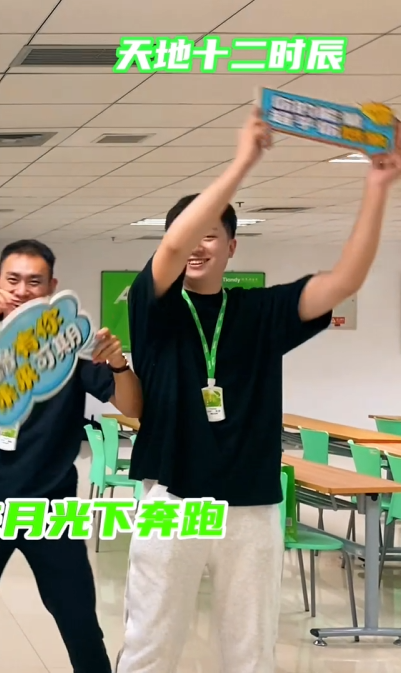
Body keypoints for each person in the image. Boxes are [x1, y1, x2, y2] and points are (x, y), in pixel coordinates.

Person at [115, 111, 401, 673]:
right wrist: (244, 161)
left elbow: (344, 281)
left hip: (252, 505)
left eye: (212, 235)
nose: (197, 246)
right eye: (191, 233)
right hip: (171, 500)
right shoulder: (155, 305)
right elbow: (170, 249)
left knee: (251, 652)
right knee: (151, 643)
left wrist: (377, 185)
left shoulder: (261, 311)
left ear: (232, 247)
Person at [0, 239, 141, 673]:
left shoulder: (71, 346)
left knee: (81, 628)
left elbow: (132, 408)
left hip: (51, 510)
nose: (21, 290)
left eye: (34, 282)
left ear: (52, 287)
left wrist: (118, 365)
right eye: (12, 280)